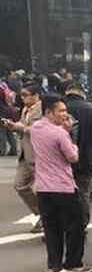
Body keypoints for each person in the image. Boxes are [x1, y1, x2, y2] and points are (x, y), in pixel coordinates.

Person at [30, 94, 92, 272]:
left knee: (52, 228)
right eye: (62, 111)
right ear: (49, 112)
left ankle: (54, 265)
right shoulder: (60, 133)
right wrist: (69, 135)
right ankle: (73, 264)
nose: (65, 114)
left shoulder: (36, 128)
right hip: (63, 186)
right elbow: (72, 157)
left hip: (43, 187)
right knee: (75, 225)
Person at [64, 81, 92, 219]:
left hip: (63, 158)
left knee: (63, 193)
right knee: (83, 192)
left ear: (67, 93)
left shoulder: (59, 109)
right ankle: (82, 224)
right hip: (88, 158)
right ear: (82, 94)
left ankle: (62, 225)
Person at [4, 82, 42, 232]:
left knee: (43, 190)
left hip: (39, 155)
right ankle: (42, 213)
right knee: (19, 185)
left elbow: (41, 130)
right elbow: (23, 126)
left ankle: (47, 218)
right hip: (25, 154)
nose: (23, 98)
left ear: (36, 96)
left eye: (26, 95)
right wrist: (13, 125)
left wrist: (21, 127)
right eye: (22, 95)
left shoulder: (43, 109)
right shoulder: (26, 109)